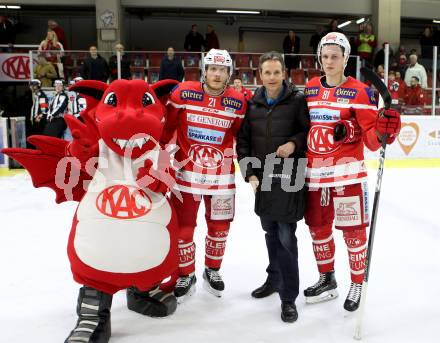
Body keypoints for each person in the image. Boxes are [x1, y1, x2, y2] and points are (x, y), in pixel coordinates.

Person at [302, 32, 401, 312]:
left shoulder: (359, 91)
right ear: (319, 58)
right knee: (318, 230)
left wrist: (384, 130)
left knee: (354, 234)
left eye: (335, 56)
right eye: (325, 55)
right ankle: (327, 279)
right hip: (315, 175)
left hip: (348, 176)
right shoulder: (310, 88)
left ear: (346, 58)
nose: (330, 61)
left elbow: (371, 139)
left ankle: (356, 282)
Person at [160, 49, 247, 302]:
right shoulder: (183, 92)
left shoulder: (238, 101)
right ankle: (187, 274)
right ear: (204, 70)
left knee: (219, 229)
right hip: (186, 176)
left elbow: (242, 136)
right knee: (184, 229)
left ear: (229, 74)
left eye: (222, 70)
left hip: (222, 178)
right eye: (213, 69)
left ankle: (213, 270)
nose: (217, 74)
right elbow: (166, 128)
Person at [236, 51, 309, 323]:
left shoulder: (297, 100)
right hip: (262, 177)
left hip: (290, 174)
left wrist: (293, 143)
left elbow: (306, 132)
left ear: (284, 73)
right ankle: (274, 278)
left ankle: (288, 298)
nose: (272, 77)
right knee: (270, 231)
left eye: (276, 72)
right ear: (259, 74)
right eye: (267, 72)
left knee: (286, 235)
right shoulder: (252, 104)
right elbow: (242, 143)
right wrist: (250, 175)